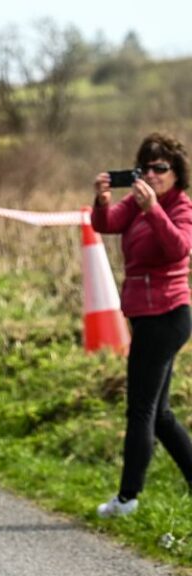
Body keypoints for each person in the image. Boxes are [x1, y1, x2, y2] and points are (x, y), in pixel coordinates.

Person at [92, 132, 192, 517]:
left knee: (140, 411)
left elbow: (179, 247)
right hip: (144, 314)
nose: (152, 175)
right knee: (160, 414)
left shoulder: (180, 206)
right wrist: (102, 200)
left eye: (160, 168)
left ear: (176, 172)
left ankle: (127, 498)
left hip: (166, 316)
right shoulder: (136, 202)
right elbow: (107, 224)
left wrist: (154, 210)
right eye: (145, 168)